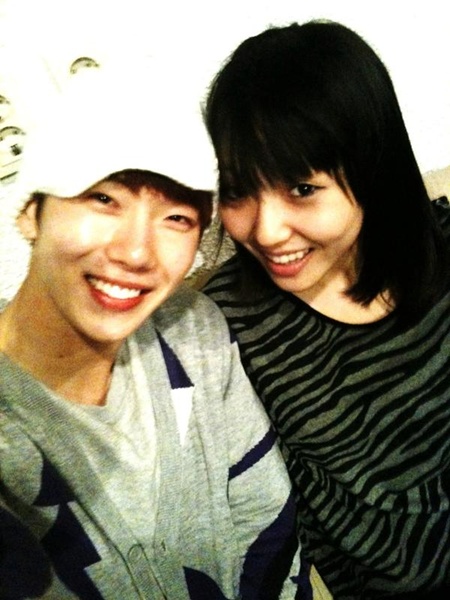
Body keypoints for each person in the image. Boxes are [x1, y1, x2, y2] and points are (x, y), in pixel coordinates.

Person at [0, 72, 308, 599]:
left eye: (177, 218)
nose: (137, 252)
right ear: (31, 212)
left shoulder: (194, 330)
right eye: (103, 199)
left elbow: (268, 528)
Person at [202, 19, 450, 599]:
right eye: (238, 190)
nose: (265, 231)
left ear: (371, 169)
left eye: (301, 189)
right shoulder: (226, 330)